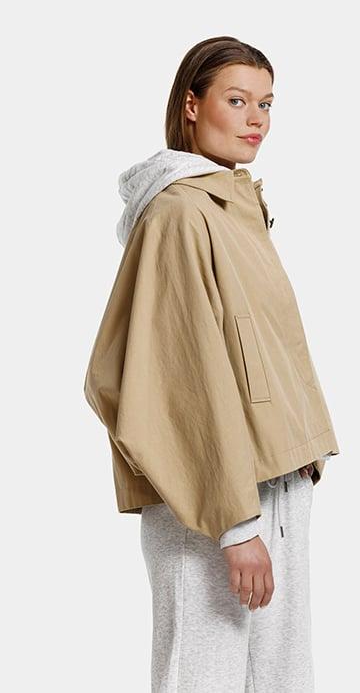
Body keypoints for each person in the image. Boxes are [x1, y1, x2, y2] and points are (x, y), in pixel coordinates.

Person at [84, 36, 340, 692]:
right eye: (237, 100)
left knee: (280, 680)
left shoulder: (233, 205)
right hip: (211, 498)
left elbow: (257, 349)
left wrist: (297, 458)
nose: (257, 119)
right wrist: (234, 525)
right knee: (202, 678)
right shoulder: (179, 213)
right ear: (192, 106)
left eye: (266, 103)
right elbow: (180, 380)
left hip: (273, 480)